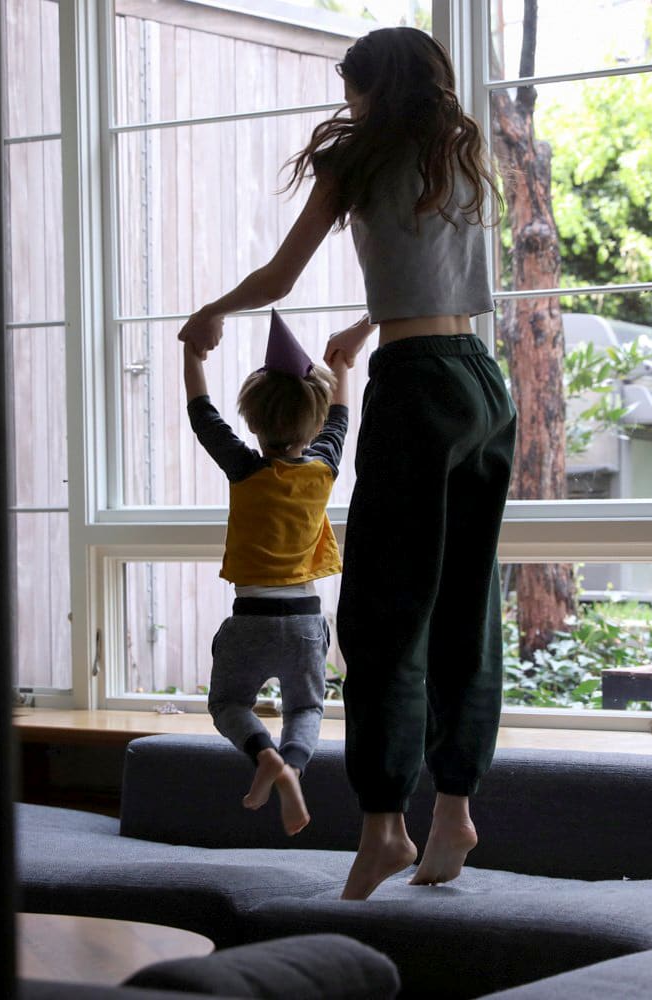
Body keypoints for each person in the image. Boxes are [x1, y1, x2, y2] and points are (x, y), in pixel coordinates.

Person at [177, 26, 514, 900]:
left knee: (381, 618)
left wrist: (213, 310)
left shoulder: (360, 158)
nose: (349, 103)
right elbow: (438, 278)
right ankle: (454, 811)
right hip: (482, 380)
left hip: (416, 387)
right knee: (467, 609)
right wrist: (369, 328)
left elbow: (283, 275)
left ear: (371, 87)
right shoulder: (465, 154)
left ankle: (383, 828)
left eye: (351, 88)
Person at [184, 309, 351, 837]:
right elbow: (343, 415)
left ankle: (264, 757)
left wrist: (192, 354)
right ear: (317, 422)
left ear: (253, 423)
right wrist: (341, 367)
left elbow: (202, 416)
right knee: (306, 707)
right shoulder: (324, 467)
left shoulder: (245, 468)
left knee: (229, 703)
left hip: (250, 616)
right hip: (305, 618)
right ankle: (291, 768)